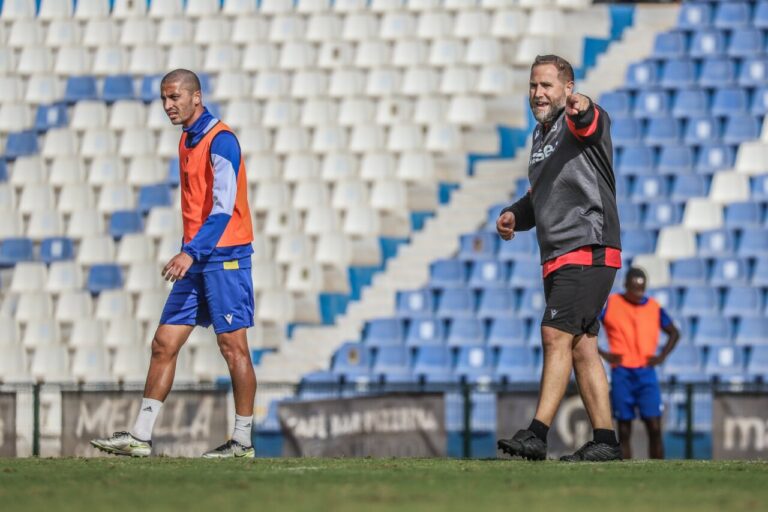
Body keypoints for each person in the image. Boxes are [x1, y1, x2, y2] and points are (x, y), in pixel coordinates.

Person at [91, 69, 257, 458]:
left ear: (196, 97)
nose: (168, 106)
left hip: (225, 256)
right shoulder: (188, 139)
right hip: (198, 257)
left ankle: (243, 441)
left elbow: (222, 209)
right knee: (164, 343)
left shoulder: (222, 141)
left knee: (233, 348)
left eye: (175, 97)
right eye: (164, 99)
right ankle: (140, 437)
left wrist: (190, 252)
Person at [496, 55, 623, 462]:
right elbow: (540, 197)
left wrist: (583, 107)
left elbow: (593, 121)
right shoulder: (541, 136)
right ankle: (605, 440)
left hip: (588, 247)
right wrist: (516, 214)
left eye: (547, 85)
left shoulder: (575, 120)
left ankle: (537, 433)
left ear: (567, 88)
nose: (538, 93)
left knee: (554, 335)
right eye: (534, 86)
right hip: (558, 256)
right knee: (583, 348)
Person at [599, 267, 680, 459]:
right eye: (634, 288)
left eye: (642, 289)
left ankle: (659, 472)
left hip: (646, 372)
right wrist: (604, 354)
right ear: (626, 285)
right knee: (624, 428)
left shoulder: (654, 307)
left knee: (654, 425)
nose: (638, 293)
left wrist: (661, 357)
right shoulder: (612, 304)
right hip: (622, 372)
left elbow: (674, 333)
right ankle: (627, 469)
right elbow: (587, 327)